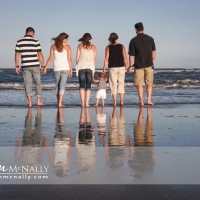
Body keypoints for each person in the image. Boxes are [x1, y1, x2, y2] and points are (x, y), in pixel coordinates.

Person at [15, 27, 45, 107]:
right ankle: (38, 101)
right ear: (32, 32)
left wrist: (17, 66)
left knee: (27, 84)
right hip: (35, 65)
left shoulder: (19, 41)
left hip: (25, 65)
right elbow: (40, 54)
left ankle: (30, 103)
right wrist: (43, 65)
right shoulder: (36, 41)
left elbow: (17, 54)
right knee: (37, 83)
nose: (34, 35)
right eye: (34, 34)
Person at [127, 22, 156, 105]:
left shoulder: (133, 40)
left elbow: (131, 55)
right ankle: (149, 100)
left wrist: (130, 65)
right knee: (149, 83)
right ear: (143, 29)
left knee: (139, 84)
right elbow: (154, 52)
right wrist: (151, 60)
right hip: (149, 64)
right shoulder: (150, 39)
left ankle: (141, 101)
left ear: (136, 30)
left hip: (138, 65)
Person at [42, 32, 72, 107]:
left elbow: (50, 59)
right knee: (62, 85)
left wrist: (45, 68)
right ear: (63, 38)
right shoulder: (68, 47)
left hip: (56, 68)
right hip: (65, 68)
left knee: (57, 85)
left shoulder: (53, 46)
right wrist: (71, 70)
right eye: (66, 38)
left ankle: (58, 102)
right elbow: (69, 59)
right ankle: (60, 103)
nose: (67, 40)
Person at [102, 32, 128, 106]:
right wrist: (127, 66)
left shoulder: (108, 47)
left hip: (112, 67)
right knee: (121, 83)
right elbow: (125, 57)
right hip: (121, 66)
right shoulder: (121, 46)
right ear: (117, 38)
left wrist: (104, 69)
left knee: (113, 84)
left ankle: (115, 102)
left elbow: (106, 58)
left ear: (110, 39)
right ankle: (122, 101)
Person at [76, 33, 96, 107]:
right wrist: (93, 69)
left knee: (81, 85)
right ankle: (87, 103)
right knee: (88, 86)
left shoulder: (80, 46)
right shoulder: (93, 47)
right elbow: (94, 59)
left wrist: (77, 65)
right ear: (90, 39)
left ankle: (82, 103)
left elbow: (77, 58)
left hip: (81, 66)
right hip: (90, 67)